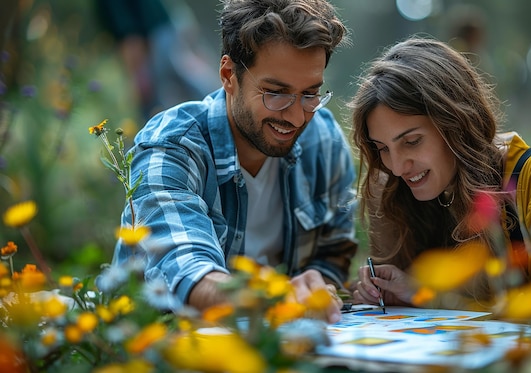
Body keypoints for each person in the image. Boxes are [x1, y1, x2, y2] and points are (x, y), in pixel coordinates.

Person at [108, 0, 357, 324]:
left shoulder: (322, 138)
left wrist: (319, 287)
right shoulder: (171, 146)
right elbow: (190, 274)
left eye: (310, 94)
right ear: (228, 75)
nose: (297, 117)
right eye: (276, 93)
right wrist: (279, 299)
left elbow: (333, 251)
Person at [349, 36, 531, 326]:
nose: (398, 166)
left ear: (456, 123)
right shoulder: (395, 190)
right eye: (382, 148)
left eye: (412, 141)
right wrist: (412, 291)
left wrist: (444, 302)